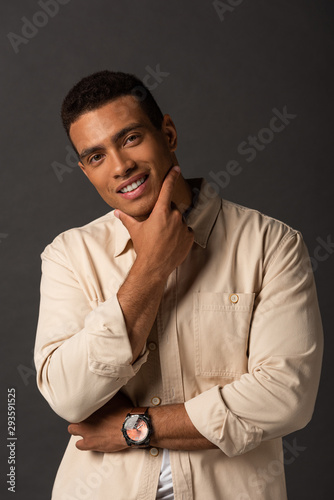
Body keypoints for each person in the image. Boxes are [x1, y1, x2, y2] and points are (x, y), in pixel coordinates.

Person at [34, 70, 323, 500]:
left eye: (130, 138)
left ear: (167, 133)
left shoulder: (270, 243)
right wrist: (150, 267)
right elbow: (69, 397)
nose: (120, 166)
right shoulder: (68, 255)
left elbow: (287, 396)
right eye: (96, 157)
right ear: (85, 170)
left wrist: (139, 429)